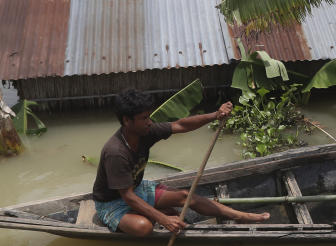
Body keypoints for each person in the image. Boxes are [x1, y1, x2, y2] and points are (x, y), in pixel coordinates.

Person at [92, 89, 270, 236]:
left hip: (137, 189)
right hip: (112, 203)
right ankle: (156, 214)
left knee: (186, 196)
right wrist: (164, 220)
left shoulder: (146, 132)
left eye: (149, 117)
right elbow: (128, 197)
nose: (150, 122)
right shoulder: (116, 152)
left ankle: (243, 216)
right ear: (126, 120)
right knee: (144, 227)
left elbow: (181, 125)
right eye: (144, 118)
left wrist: (215, 115)